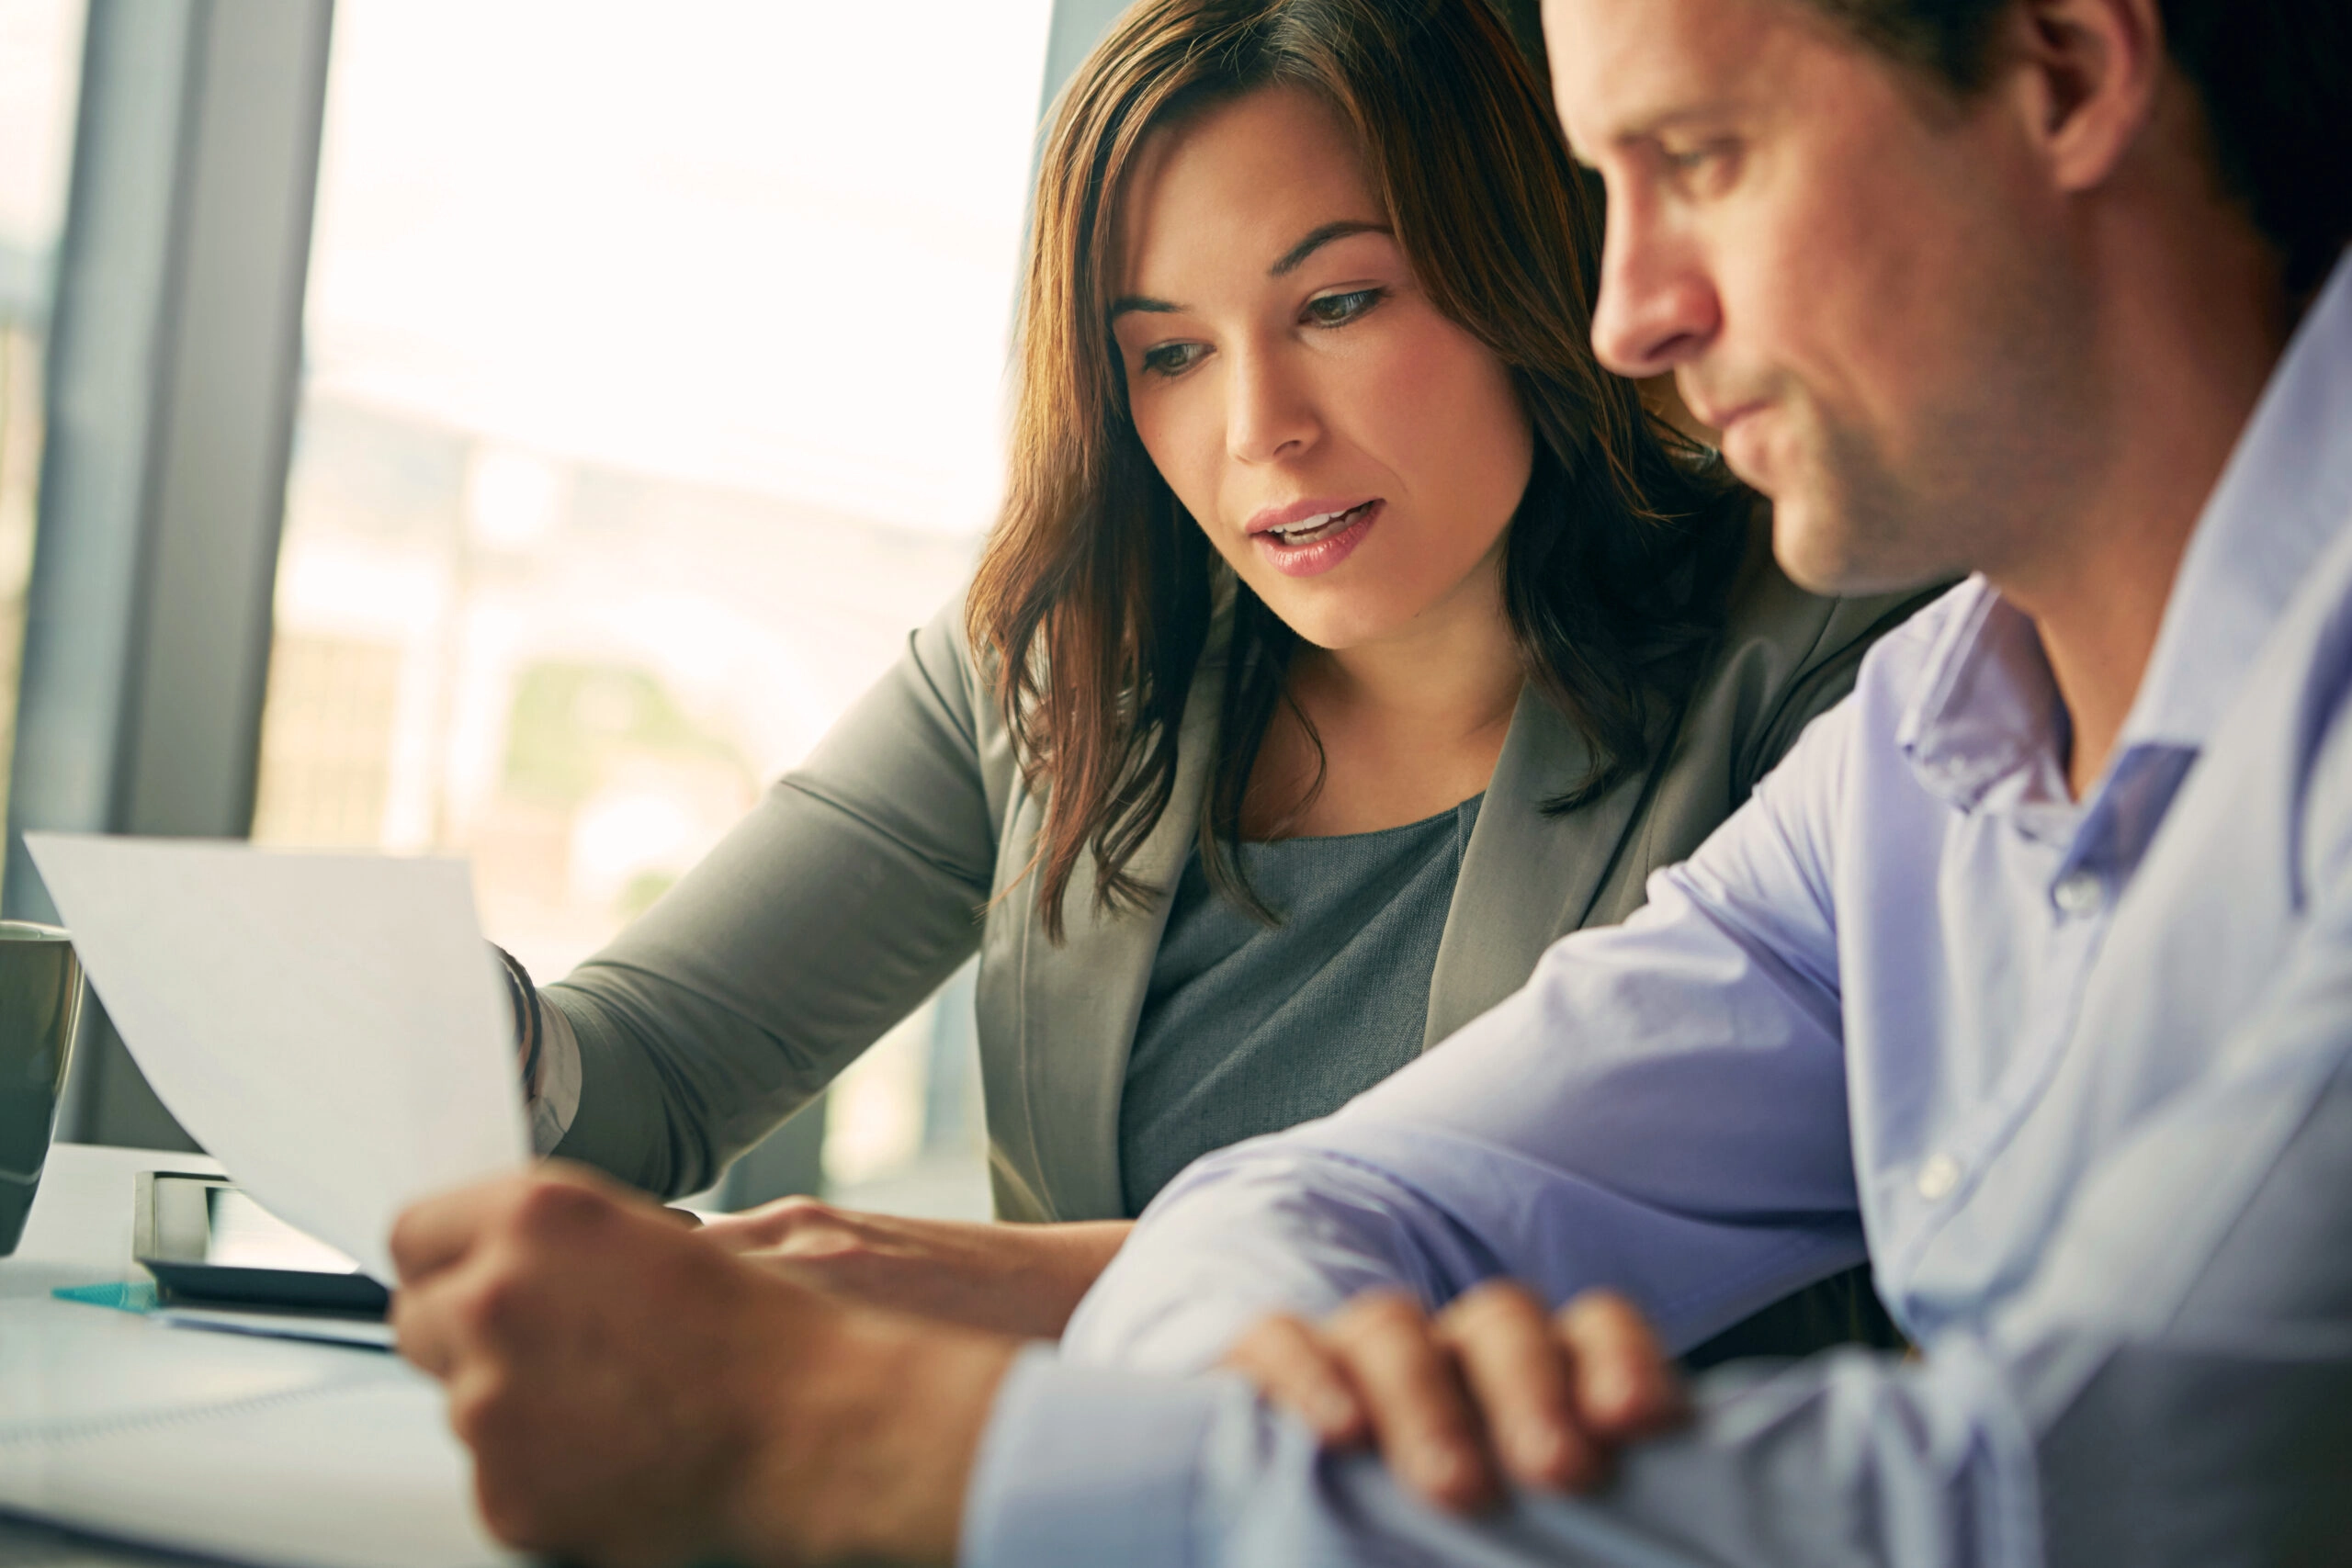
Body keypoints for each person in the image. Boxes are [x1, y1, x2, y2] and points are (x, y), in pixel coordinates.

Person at [389, 0, 2352, 1562]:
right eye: (1160, 350)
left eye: (1700, 158)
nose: (1633, 312)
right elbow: (1339, 1191)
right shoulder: (1935, 728)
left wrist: (884, 1439)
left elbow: (2104, 1496)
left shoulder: (1820, 655)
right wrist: (1310, 1368)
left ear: (2062, 68)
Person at [506, 0, 1921, 1351]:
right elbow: (645, 1074)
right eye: (1170, 351)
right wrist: (435, 1024)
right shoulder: (1064, 661)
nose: (1261, 430)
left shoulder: (1831, 651)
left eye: (1340, 302)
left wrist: (989, 1292)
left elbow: (1555, 1247)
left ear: (1523, 274)